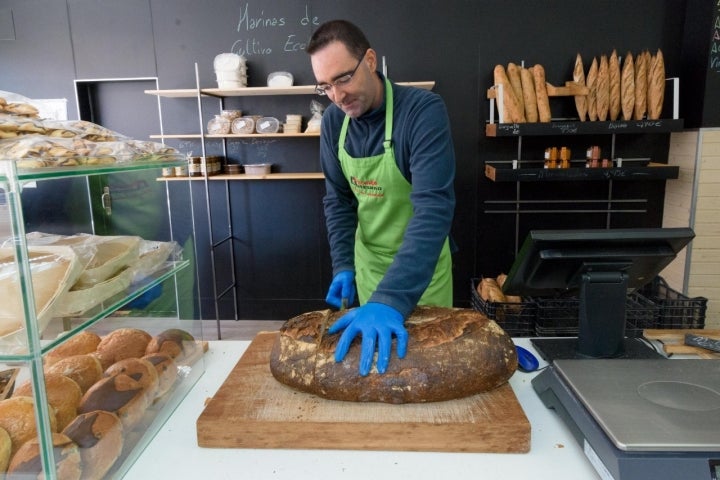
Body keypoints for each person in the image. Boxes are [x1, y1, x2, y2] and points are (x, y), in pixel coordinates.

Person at [307, 20, 456, 376]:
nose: (337, 97)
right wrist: (344, 264)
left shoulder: (422, 112)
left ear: (370, 60)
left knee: (429, 373)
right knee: (378, 376)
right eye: (325, 86)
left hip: (423, 273)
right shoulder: (333, 122)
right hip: (369, 268)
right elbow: (339, 201)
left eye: (343, 79)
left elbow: (433, 208)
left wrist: (391, 299)